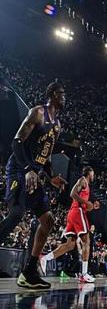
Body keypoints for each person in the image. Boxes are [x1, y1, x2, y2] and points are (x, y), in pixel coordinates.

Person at [0, 82, 67, 289]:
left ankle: (29, 272)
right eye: (61, 93)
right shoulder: (38, 112)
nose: (64, 97)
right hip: (19, 168)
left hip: (34, 174)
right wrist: (28, 168)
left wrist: (51, 177)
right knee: (17, 213)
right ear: (51, 94)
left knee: (48, 220)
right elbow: (17, 142)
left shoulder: (57, 125)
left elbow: (46, 156)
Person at [40, 166, 99, 283]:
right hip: (77, 212)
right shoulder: (82, 180)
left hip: (73, 213)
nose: (94, 176)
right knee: (86, 241)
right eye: (93, 173)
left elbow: (82, 201)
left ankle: (45, 258)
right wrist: (87, 203)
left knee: (70, 245)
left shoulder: (86, 185)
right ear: (89, 172)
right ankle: (84, 274)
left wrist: (90, 206)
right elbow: (72, 193)